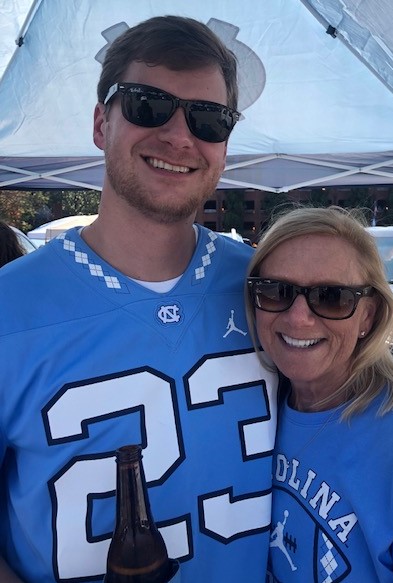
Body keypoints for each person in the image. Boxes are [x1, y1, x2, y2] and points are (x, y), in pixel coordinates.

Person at [0, 16, 278, 583]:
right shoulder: (10, 307)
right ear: (101, 123)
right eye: (147, 105)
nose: (179, 136)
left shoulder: (274, 292)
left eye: (208, 118)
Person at [245, 206, 393, 582]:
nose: (298, 318)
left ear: (368, 316)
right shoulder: (253, 408)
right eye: (275, 291)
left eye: (331, 297)